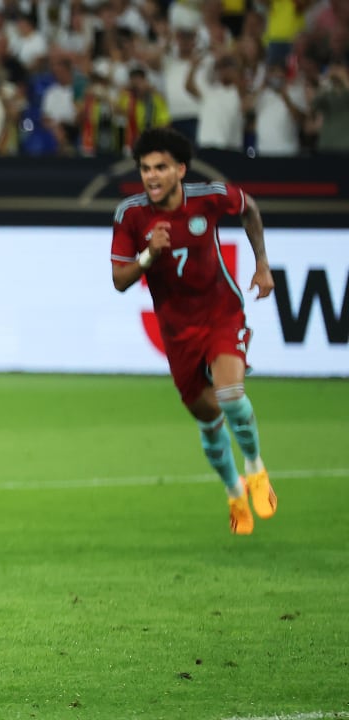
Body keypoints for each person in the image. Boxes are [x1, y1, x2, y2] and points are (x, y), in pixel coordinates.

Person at [111, 127, 277, 535]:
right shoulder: (130, 215)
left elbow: (249, 208)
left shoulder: (210, 197)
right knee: (208, 419)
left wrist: (262, 264)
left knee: (230, 394)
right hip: (177, 332)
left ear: (181, 170)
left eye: (161, 167)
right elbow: (119, 280)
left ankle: (255, 467)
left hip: (221, 313)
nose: (152, 176)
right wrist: (149, 255)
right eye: (145, 169)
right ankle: (234, 491)